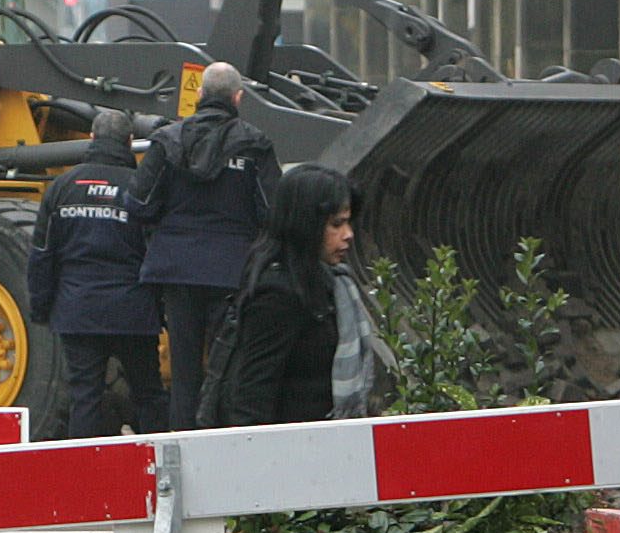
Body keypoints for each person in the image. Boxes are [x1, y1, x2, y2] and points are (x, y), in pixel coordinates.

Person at [126, 61, 283, 428]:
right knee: (229, 369)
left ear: (199, 95)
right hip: (233, 273)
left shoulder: (167, 141)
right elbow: (273, 211)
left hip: (177, 273)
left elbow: (140, 204)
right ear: (238, 97)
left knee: (184, 374)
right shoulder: (254, 143)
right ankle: (223, 444)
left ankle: (183, 446)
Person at [27, 110, 164, 438]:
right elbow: (157, 252)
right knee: (148, 394)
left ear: (90, 137)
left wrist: (42, 308)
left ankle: (82, 476)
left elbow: (43, 255)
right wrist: (160, 310)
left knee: (84, 397)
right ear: (130, 142)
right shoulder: (140, 187)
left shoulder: (62, 187)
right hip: (132, 310)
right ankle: (159, 465)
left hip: (78, 310)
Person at [198, 164, 366, 429]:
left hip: (322, 442)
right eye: (336, 224)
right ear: (305, 223)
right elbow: (253, 390)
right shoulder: (277, 294)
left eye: (348, 222)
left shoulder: (328, 281)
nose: (348, 235)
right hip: (290, 450)